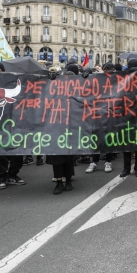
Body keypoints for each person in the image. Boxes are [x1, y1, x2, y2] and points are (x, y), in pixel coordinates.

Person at [0, 62, 26, 189]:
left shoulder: (11, 84)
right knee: (1, 153)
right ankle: (2, 176)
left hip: (14, 122)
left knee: (18, 151)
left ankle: (13, 174)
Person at [46, 64, 78, 194]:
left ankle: (68, 180)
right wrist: (49, 78)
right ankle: (59, 181)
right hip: (55, 127)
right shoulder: (55, 90)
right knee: (56, 157)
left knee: (69, 156)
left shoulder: (77, 93)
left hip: (71, 128)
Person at [86, 62, 117, 173]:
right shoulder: (97, 79)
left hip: (110, 114)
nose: (107, 70)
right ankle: (93, 162)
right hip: (98, 114)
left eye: (110, 69)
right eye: (106, 68)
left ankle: (108, 162)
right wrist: (85, 77)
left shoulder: (118, 80)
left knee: (109, 139)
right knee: (96, 139)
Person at [120, 59, 137, 177]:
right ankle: (135, 168)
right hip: (129, 114)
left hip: (136, 114)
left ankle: (131, 168)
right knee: (130, 144)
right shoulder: (123, 77)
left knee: (132, 144)